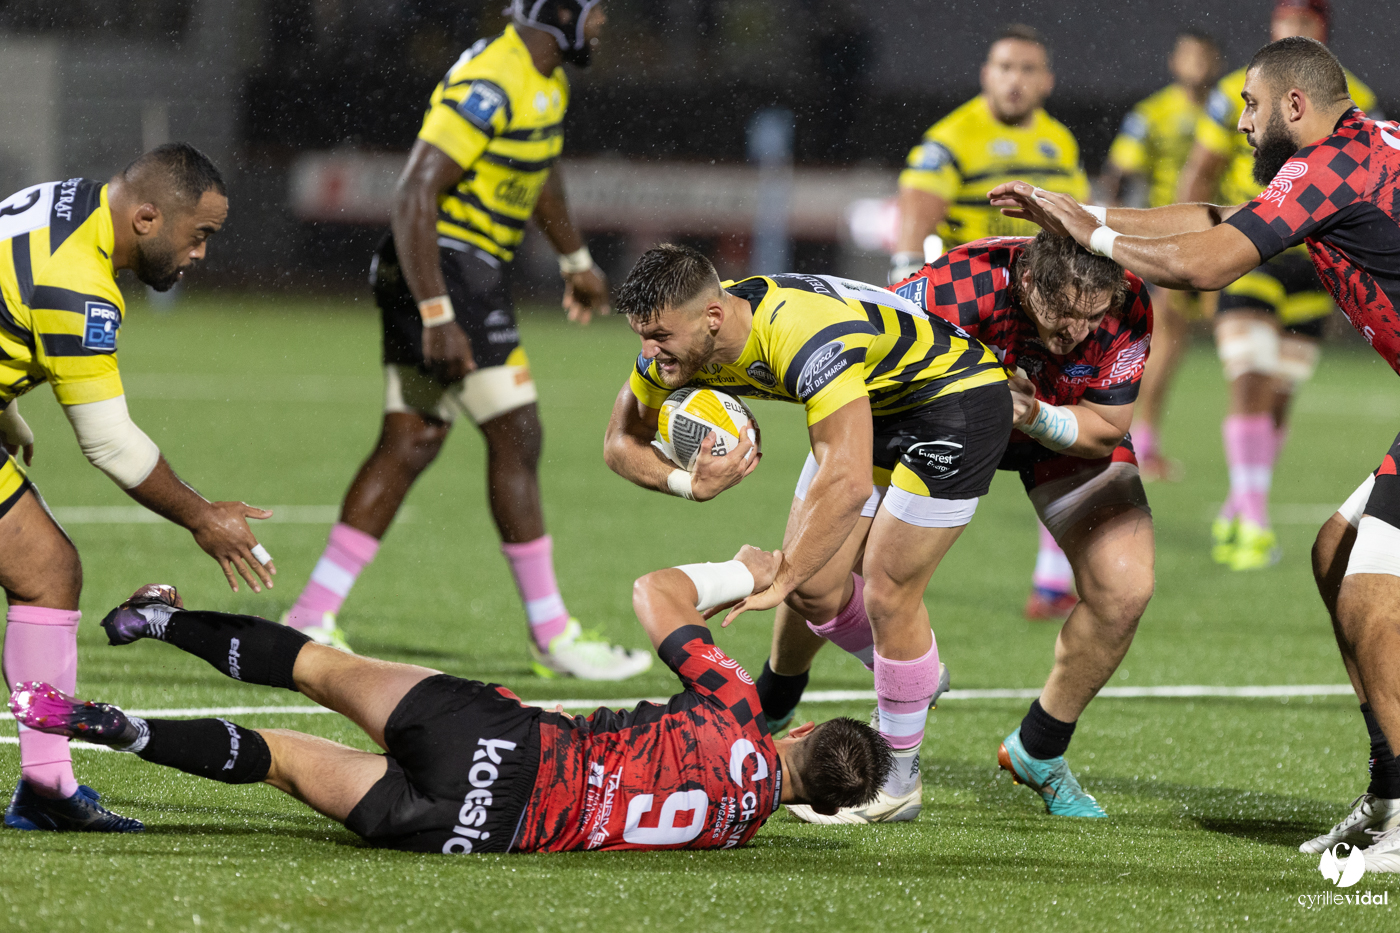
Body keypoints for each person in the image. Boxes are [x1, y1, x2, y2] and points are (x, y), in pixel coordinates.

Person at [989, 36, 1400, 868]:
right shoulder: (1350, 151)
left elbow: (1209, 264)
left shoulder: (1337, 163)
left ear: (1294, 106)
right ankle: (1387, 794)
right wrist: (1084, 214)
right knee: (1338, 549)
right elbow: (1213, 221)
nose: (1239, 122)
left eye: (1249, 105)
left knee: (1371, 592)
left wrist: (1093, 237)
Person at [9, 553, 892, 853]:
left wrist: (745, 572)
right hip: (473, 831)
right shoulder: (735, 829)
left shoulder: (738, 706)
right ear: (816, 805)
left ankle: (160, 617)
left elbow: (654, 591)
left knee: (317, 666)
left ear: (803, 728)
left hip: (508, 742)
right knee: (274, 758)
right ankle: (119, 731)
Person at [281, 2, 646, 680]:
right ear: (559, 10)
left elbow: (539, 173)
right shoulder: (494, 79)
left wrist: (575, 261)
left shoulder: (549, 80)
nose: (603, 22)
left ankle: (310, 612)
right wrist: (438, 311)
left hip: (457, 269)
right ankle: (553, 634)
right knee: (518, 431)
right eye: (596, 10)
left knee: (413, 437)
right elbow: (415, 191)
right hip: (443, 266)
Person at [604, 245, 1009, 822]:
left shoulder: (797, 333)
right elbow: (620, 442)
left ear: (712, 319)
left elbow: (844, 479)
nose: (649, 354)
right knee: (815, 590)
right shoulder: (678, 347)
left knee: (889, 588)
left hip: (953, 400)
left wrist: (784, 571)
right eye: (642, 335)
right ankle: (910, 671)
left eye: (660, 336)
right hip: (872, 402)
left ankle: (897, 783)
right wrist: (687, 485)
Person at [763, 233, 1155, 821]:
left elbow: (1106, 424)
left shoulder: (1125, 300)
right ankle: (776, 699)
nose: (1079, 331)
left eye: (1091, 317)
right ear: (1027, 282)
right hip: (921, 418)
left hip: (1057, 428)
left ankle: (1039, 749)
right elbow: (858, 388)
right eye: (1065, 315)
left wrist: (1031, 413)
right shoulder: (949, 291)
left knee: (1126, 589)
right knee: (814, 571)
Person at [0, 144, 276, 833]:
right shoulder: (80, 284)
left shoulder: (67, 200)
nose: (201, 255)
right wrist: (202, 516)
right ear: (148, 218)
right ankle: (45, 789)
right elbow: (110, 444)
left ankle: (45, 787)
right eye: (200, 235)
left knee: (45, 568)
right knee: (46, 571)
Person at [893, 23, 1091, 621]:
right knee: (928, 439)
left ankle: (1054, 579)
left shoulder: (1060, 143)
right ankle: (888, 569)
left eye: (1028, 69)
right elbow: (912, 226)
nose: (1016, 80)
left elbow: (1079, 228)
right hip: (966, 316)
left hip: (1037, 315)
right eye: (1005, 67)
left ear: (1047, 81)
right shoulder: (951, 139)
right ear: (987, 74)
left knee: (1062, 428)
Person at [1176, 0, 1378, 570]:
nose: (1287, 31)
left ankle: (1242, 505)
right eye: (1281, 22)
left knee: (1281, 395)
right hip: (1254, 248)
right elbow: (1203, 167)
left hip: (1315, 261)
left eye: (1302, 25)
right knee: (1251, 376)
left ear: (1322, 35)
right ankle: (1253, 516)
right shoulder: (1239, 91)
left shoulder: (1352, 97)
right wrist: (1190, 250)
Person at [1099, 28, 1223, 481]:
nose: (1198, 65)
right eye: (1190, 56)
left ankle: (1138, 439)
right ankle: (1133, 441)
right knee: (1160, 342)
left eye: (1205, 57)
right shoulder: (1152, 113)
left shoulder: (1226, 112)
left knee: (1174, 344)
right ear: (1175, 61)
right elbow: (1120, 173)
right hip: (1161, 242)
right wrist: (1111, 238)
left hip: (1209, 240)